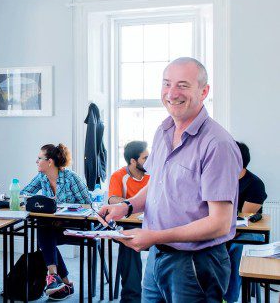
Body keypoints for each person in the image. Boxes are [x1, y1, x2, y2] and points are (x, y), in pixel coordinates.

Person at [99, 57, 241, 302]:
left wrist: (154, 236)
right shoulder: (163, 130)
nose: (172, 93)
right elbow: (156, 186)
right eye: (167, 84)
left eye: (183, 85)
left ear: (204, 91)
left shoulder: (217, 143)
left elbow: (219, 223)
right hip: (158, 257)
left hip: (196, 264)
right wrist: (126, 206)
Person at [20, 143, 91, 300]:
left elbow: (88, 204)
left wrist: (64, 215)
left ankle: (60, 280)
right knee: (44, 228)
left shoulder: (71, 177)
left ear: (50, 161)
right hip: (53, 226)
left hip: (75, 225)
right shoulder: (42, 177)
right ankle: (58, 279)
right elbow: (23, 193)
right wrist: (37, 201)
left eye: (39, 158)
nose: (36, 161)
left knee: (44, 235)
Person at [223, 141, 267, 303]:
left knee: (237, 249)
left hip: (248, 233)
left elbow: (244, 220)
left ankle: (229, 298)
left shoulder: (255, 184)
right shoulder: (221, 179)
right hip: (223, 228)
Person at [107, 140, 150, 303]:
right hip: (129, 224)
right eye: (145, 158)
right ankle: (131, 298)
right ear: (133, 161)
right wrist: (135, 203)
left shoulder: (153, 174)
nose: (149, 160)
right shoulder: (119, 176)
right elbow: (113, 200)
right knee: (129, 242)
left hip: (152, 224)